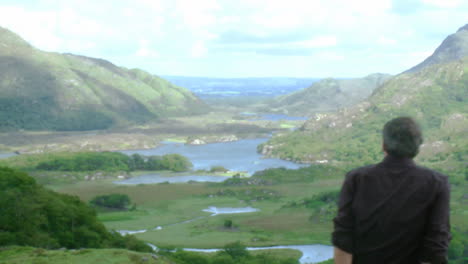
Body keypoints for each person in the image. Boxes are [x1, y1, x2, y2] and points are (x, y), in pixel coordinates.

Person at [332, 117, 451, 264]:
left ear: (384, 145)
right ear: (418, 146)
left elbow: (343, 238)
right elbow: (436, 245)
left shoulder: (356, 178)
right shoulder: (437, 183)